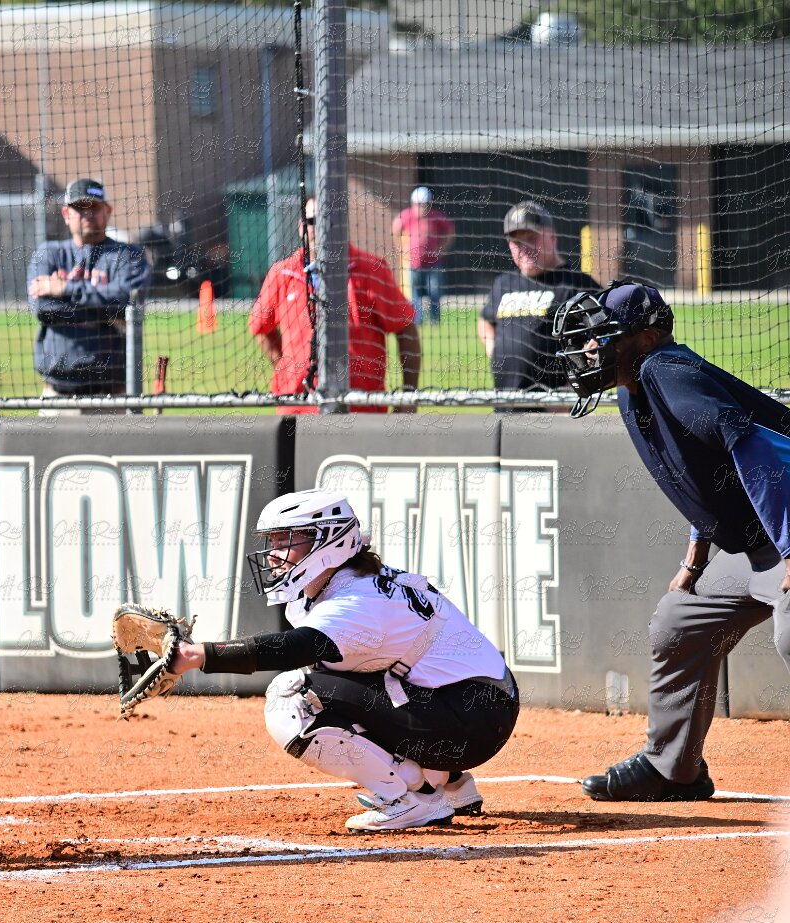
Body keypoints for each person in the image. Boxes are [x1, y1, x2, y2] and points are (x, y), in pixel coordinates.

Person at [150, 488, 519, 831]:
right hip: (475, 707)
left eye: (286, 540)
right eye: (273, 541)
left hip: (472, 719)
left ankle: (414, 798)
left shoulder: (356, 599)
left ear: (328, 541)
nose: (274, 553)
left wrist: (195, 655)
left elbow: (293, 647)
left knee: (292, 696)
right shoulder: (345, 583)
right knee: (326, 673)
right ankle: (446, 780)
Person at [551, 280, 790, 802]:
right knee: (680, 622)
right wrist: (694, 559)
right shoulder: (634, 390)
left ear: (646, 337)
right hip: (760, 546)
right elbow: (704, 477)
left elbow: (751, 443)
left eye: (601, 336)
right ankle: (673, 769)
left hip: (785, 534)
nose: (588, 348)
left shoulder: (666, 370)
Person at [248, 198, 422, 415]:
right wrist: (285, 368)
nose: (320, 228)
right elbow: (260, 327)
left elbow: (405, 328)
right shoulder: (281, 273)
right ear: (301, 226)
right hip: (298, 409)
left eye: (328, 221)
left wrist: (408, 396)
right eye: (312, 221)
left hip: (361, 408)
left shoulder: (372, 270)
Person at [26, 178, 151, 403]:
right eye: (79, 208)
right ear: (66, 214)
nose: (87, 213)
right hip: (57, 392)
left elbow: (125, 302)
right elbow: (43, 309)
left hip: (112, 392)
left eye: (94, 206)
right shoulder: (48, 254)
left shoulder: (129, 254)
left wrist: (64, 288)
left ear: (108, 211)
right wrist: (105, 313)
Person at [479, 201, 598, 397]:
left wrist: (572, 392)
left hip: (554, 408)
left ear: (552, 237)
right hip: (505, 404)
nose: (524, 248)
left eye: (532, 238)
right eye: (516, 242)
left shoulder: (579, 286)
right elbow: (485, 321)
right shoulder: (503, 284)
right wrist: (494, 352)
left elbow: (605, 341)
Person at [391, 186, 456, 324]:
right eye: (418, 204)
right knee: (415, 293)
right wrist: (401, 249)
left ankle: (434, 320)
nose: (421, 207)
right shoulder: (406, 216)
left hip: (434, 263)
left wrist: (443, 249)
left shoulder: (436, 217)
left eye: (424, 204)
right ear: (413, 204)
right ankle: (417, 320)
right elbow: (395, 229)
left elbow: (450, 231)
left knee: (434, 292)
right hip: (414, 262)